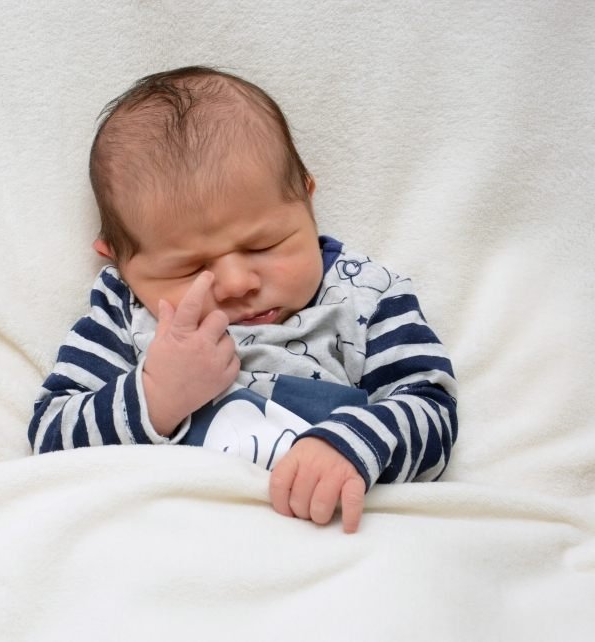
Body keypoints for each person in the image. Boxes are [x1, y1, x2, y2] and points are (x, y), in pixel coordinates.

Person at [28, 66, 457, 533]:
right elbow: (51, 440)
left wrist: (350, 444)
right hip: (166, 540)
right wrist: (156, 395)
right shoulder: (123, 310)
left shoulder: (367, 294)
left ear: (307, 201)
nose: (235, 283)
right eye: (188, 268)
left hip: (322, 537)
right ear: (120, 261)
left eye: (265, 245)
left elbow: (430, 409)